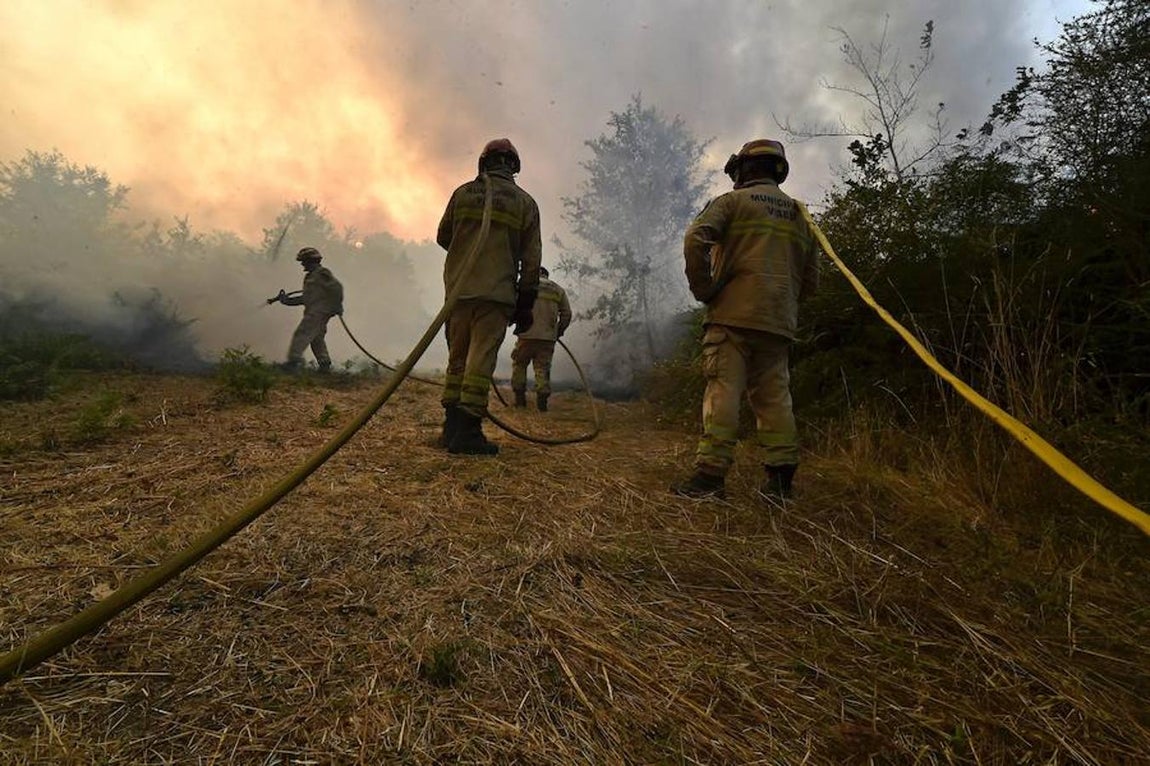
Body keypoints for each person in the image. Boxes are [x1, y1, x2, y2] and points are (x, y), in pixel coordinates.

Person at [672, 139, 820, 501]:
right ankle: (781, 482)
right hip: (777, 321)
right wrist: (784, 302)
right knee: (775, 398)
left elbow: (695, 238)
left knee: (723, 391)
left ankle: (710, 477)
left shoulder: (732, 203)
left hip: (732, 319)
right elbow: (812, 278)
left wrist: (704, 288)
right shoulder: (801, 215)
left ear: (747, 168)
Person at [436, 138, 542, 455]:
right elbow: (532, 261)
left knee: (457, 361)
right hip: (495, 294)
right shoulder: (525, 203)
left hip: (458, 293)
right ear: (514, 166)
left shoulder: (462, 193)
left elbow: (443, 237)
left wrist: (468, 251)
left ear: (483, 162)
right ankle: (467, 433)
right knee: (479, 363)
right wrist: (525, 305)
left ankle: (450, 429)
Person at [269, 246, 344, 373]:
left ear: (311, 261)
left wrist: (336, 306)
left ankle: (293, 363)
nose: (303, 264)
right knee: (316, 338)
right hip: (315, 311)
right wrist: (286, 301)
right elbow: (306, 298)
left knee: (302, 333)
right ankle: (324, 364)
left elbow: (337, 288)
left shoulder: (322, 273)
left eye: (304, 261)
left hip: (319, 312)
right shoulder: (311, 277)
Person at [510, 266, 571, 412]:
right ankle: (542, 406)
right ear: (546, 275)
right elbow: (566, 314)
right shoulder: (558, 289)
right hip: (547, 339)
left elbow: (512, 306)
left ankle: (520, 402)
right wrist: (558, 331)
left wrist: (513, 321)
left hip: (526, 335)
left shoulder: (523, 287)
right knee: (542, 369)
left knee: (519, 365)